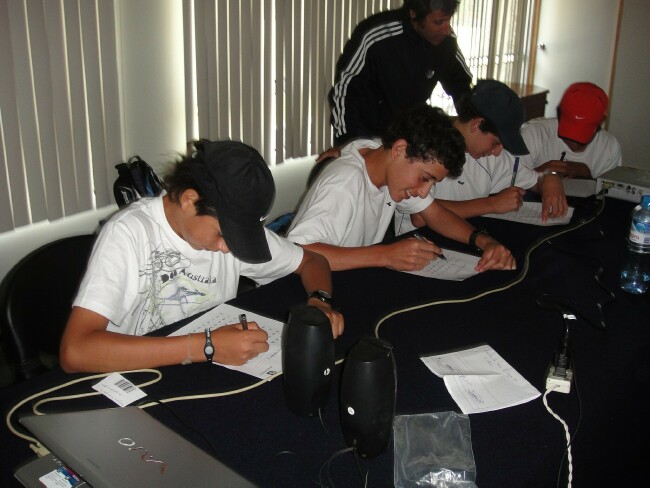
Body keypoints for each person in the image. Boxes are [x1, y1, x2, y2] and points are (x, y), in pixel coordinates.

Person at [60, 141, 344, 373]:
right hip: (139, 376)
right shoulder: (128, 234)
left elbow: (312, 261)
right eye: (223, 235)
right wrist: (205, 346)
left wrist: (320, 300)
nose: (227, 249)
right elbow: (75, 351)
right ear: (189, 200)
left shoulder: (228, 228)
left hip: (201, 368)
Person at [286, 105, 515, 273]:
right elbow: (300, 251)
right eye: (425, 178)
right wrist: (386, 254)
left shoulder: (383, 159)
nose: (424, 191)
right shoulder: (345, 182)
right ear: (400, 150)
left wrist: (484, 242)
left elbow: (434, 214)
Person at [396, 80, 567, 233]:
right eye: (496, 142)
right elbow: (420, 216)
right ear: (477, 124)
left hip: (469, 239)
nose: (498, 151)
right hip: (418, 245)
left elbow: (534, 180)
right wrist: (492, 204)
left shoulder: (489, 157)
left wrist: (550, 178)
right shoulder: (426, 144)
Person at [325, 0, 471, 155]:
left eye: (448, 20)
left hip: (407, 137)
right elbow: (345, 90)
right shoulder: (377, 34)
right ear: (414, 14)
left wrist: (470, 121)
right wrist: (349, 144)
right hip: (366, 136)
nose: (447, 30)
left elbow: (461, 86)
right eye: (439, 22)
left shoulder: (446, 41)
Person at [518, 82, 622, 179]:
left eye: (583, 132)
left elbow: (609, 195)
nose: (574, 142)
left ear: (600, 123)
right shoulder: (533, 134)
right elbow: (509, 181)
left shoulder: (609, 148)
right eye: (570, 129)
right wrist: (539, 174)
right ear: (558, 113)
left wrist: (588, 176)